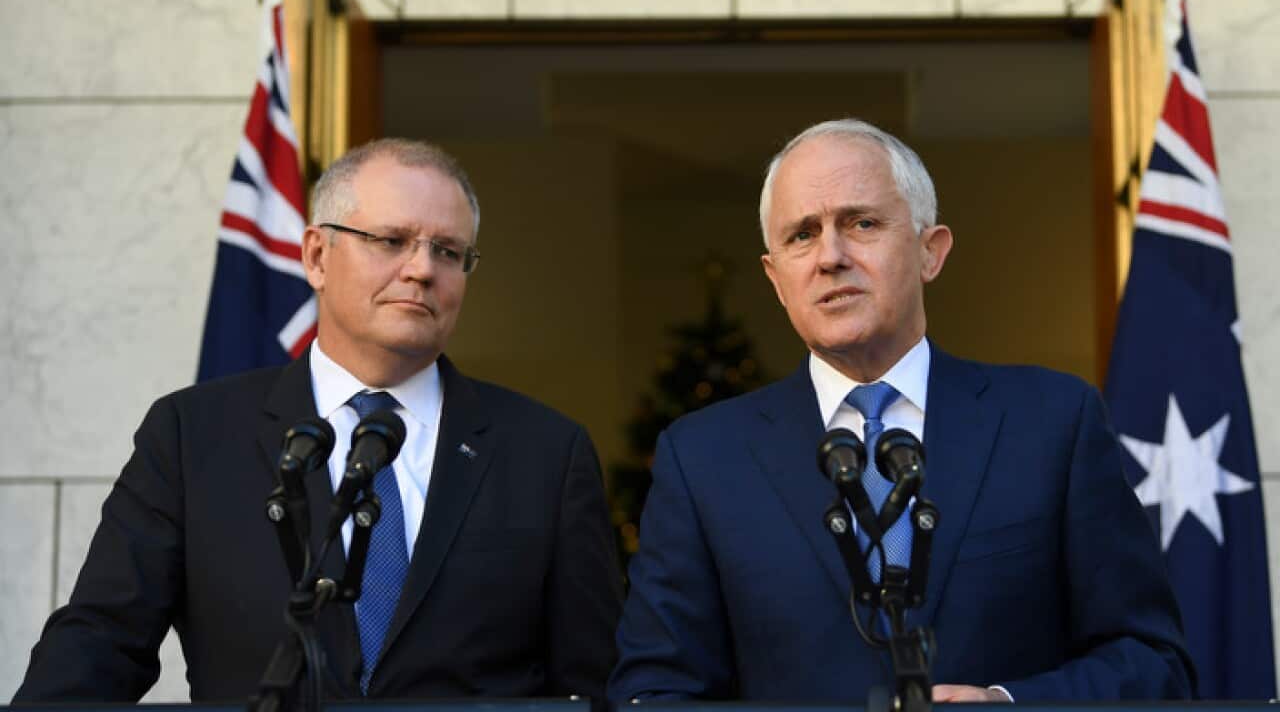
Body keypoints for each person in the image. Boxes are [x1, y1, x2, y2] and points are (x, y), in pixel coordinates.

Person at [16, 139, 622, 703]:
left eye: (448, 251)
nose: (422, 269)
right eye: (391, 240)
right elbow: (100, 642)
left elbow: (593, 681)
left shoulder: (547, 453)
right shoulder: (192, 435)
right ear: (316, 256)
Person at [608, 119, 1194, 703]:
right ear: (776, 279)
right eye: (802, 235)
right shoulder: (704, 459)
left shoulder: (1053, 423)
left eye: (861, 223)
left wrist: (1007, 705)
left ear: (930, 252)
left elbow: (1152, 662)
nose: (830, 256)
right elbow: (655, 690)